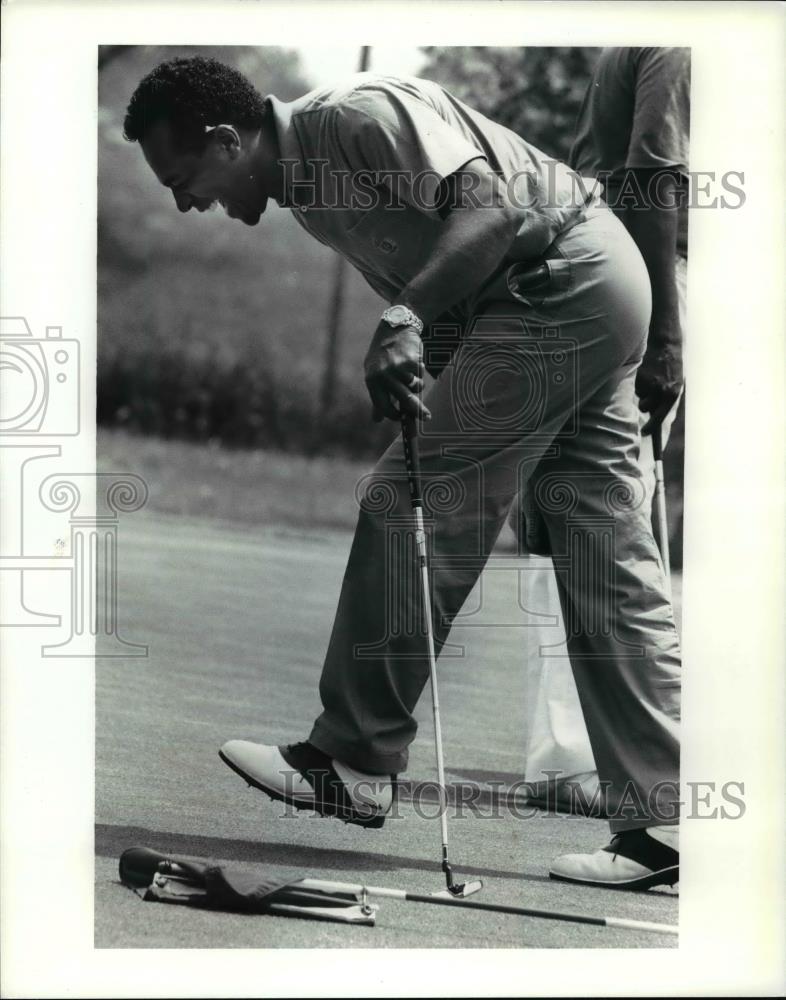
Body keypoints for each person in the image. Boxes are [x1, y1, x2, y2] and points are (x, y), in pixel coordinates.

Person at [124, 57, 681, 890]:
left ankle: (353, 760)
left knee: (404, 501)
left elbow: (489, 205)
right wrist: (429, 347)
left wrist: (403, 317)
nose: (185, 203)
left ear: (227, 139)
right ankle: (663, 826)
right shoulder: (308, 194)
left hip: (561, 279)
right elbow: (450, 285)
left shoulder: (357, 116)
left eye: (184, 178)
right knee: (602, 552)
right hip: (584, 289)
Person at [517, 47, 689, 825]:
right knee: (609, 523)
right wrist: (668, 338)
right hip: (638, 280)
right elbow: (650, 179)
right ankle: (571, 755)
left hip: (625, 275)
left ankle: (612, 752)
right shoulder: (679, 41)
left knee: (615, 522)